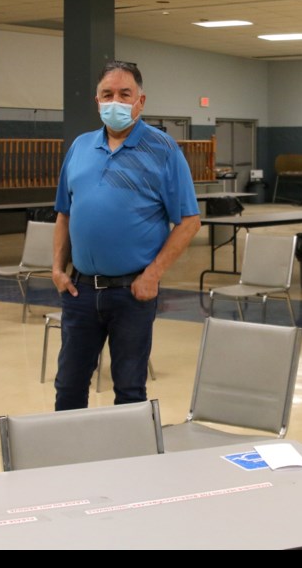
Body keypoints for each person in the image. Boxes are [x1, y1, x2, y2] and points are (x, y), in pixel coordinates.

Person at [52, 60, 201, 411]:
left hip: (132, 294)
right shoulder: (80, 147)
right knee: (69, 386)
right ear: (97, 100)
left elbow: (190, 221)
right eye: (108, 94)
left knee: (130, 390)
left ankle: (131, 465)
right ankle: (67, 465)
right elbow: (64, 212)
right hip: (80, 290)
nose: (115, 101)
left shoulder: (163, 150)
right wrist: (57, 268)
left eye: (124, 94)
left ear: (141, 101)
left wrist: (153, 276)